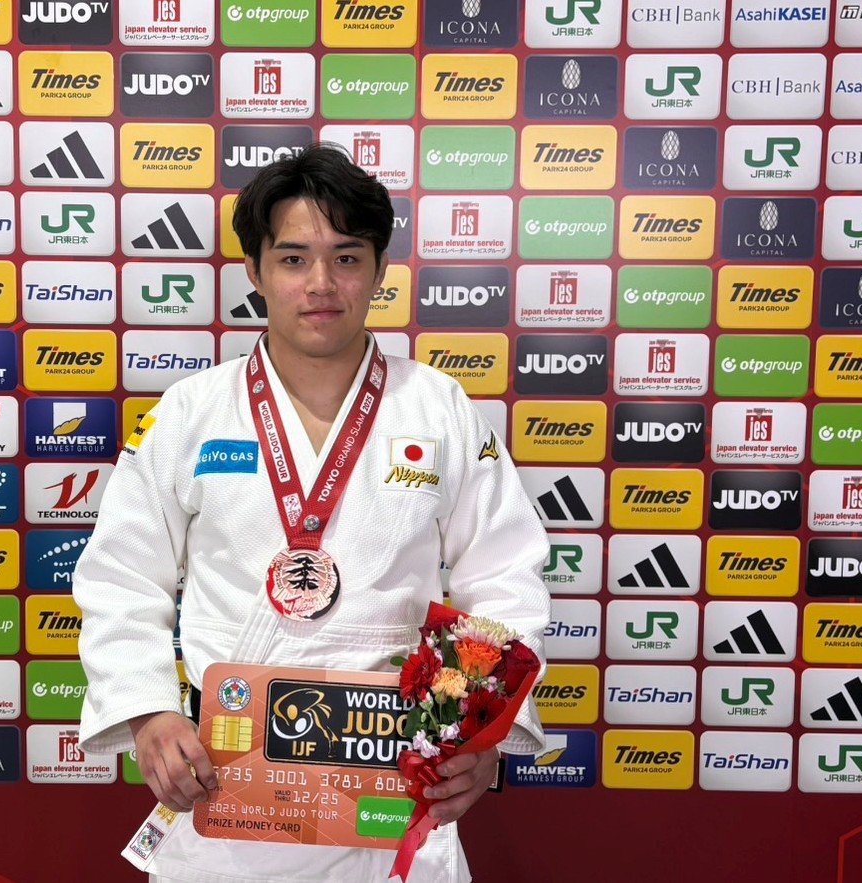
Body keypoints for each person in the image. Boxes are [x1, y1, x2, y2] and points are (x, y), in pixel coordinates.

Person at [73, 143, 551, 883]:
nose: (321, 284)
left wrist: (472, 733)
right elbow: (122, 577)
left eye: (346, 258)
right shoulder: (192, 413)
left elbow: (504, 575)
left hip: (396, 781)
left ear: (380, 270)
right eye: (293, 259)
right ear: (255, 271)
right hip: (229, 789)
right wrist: (149, 711)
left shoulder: (437, 408)